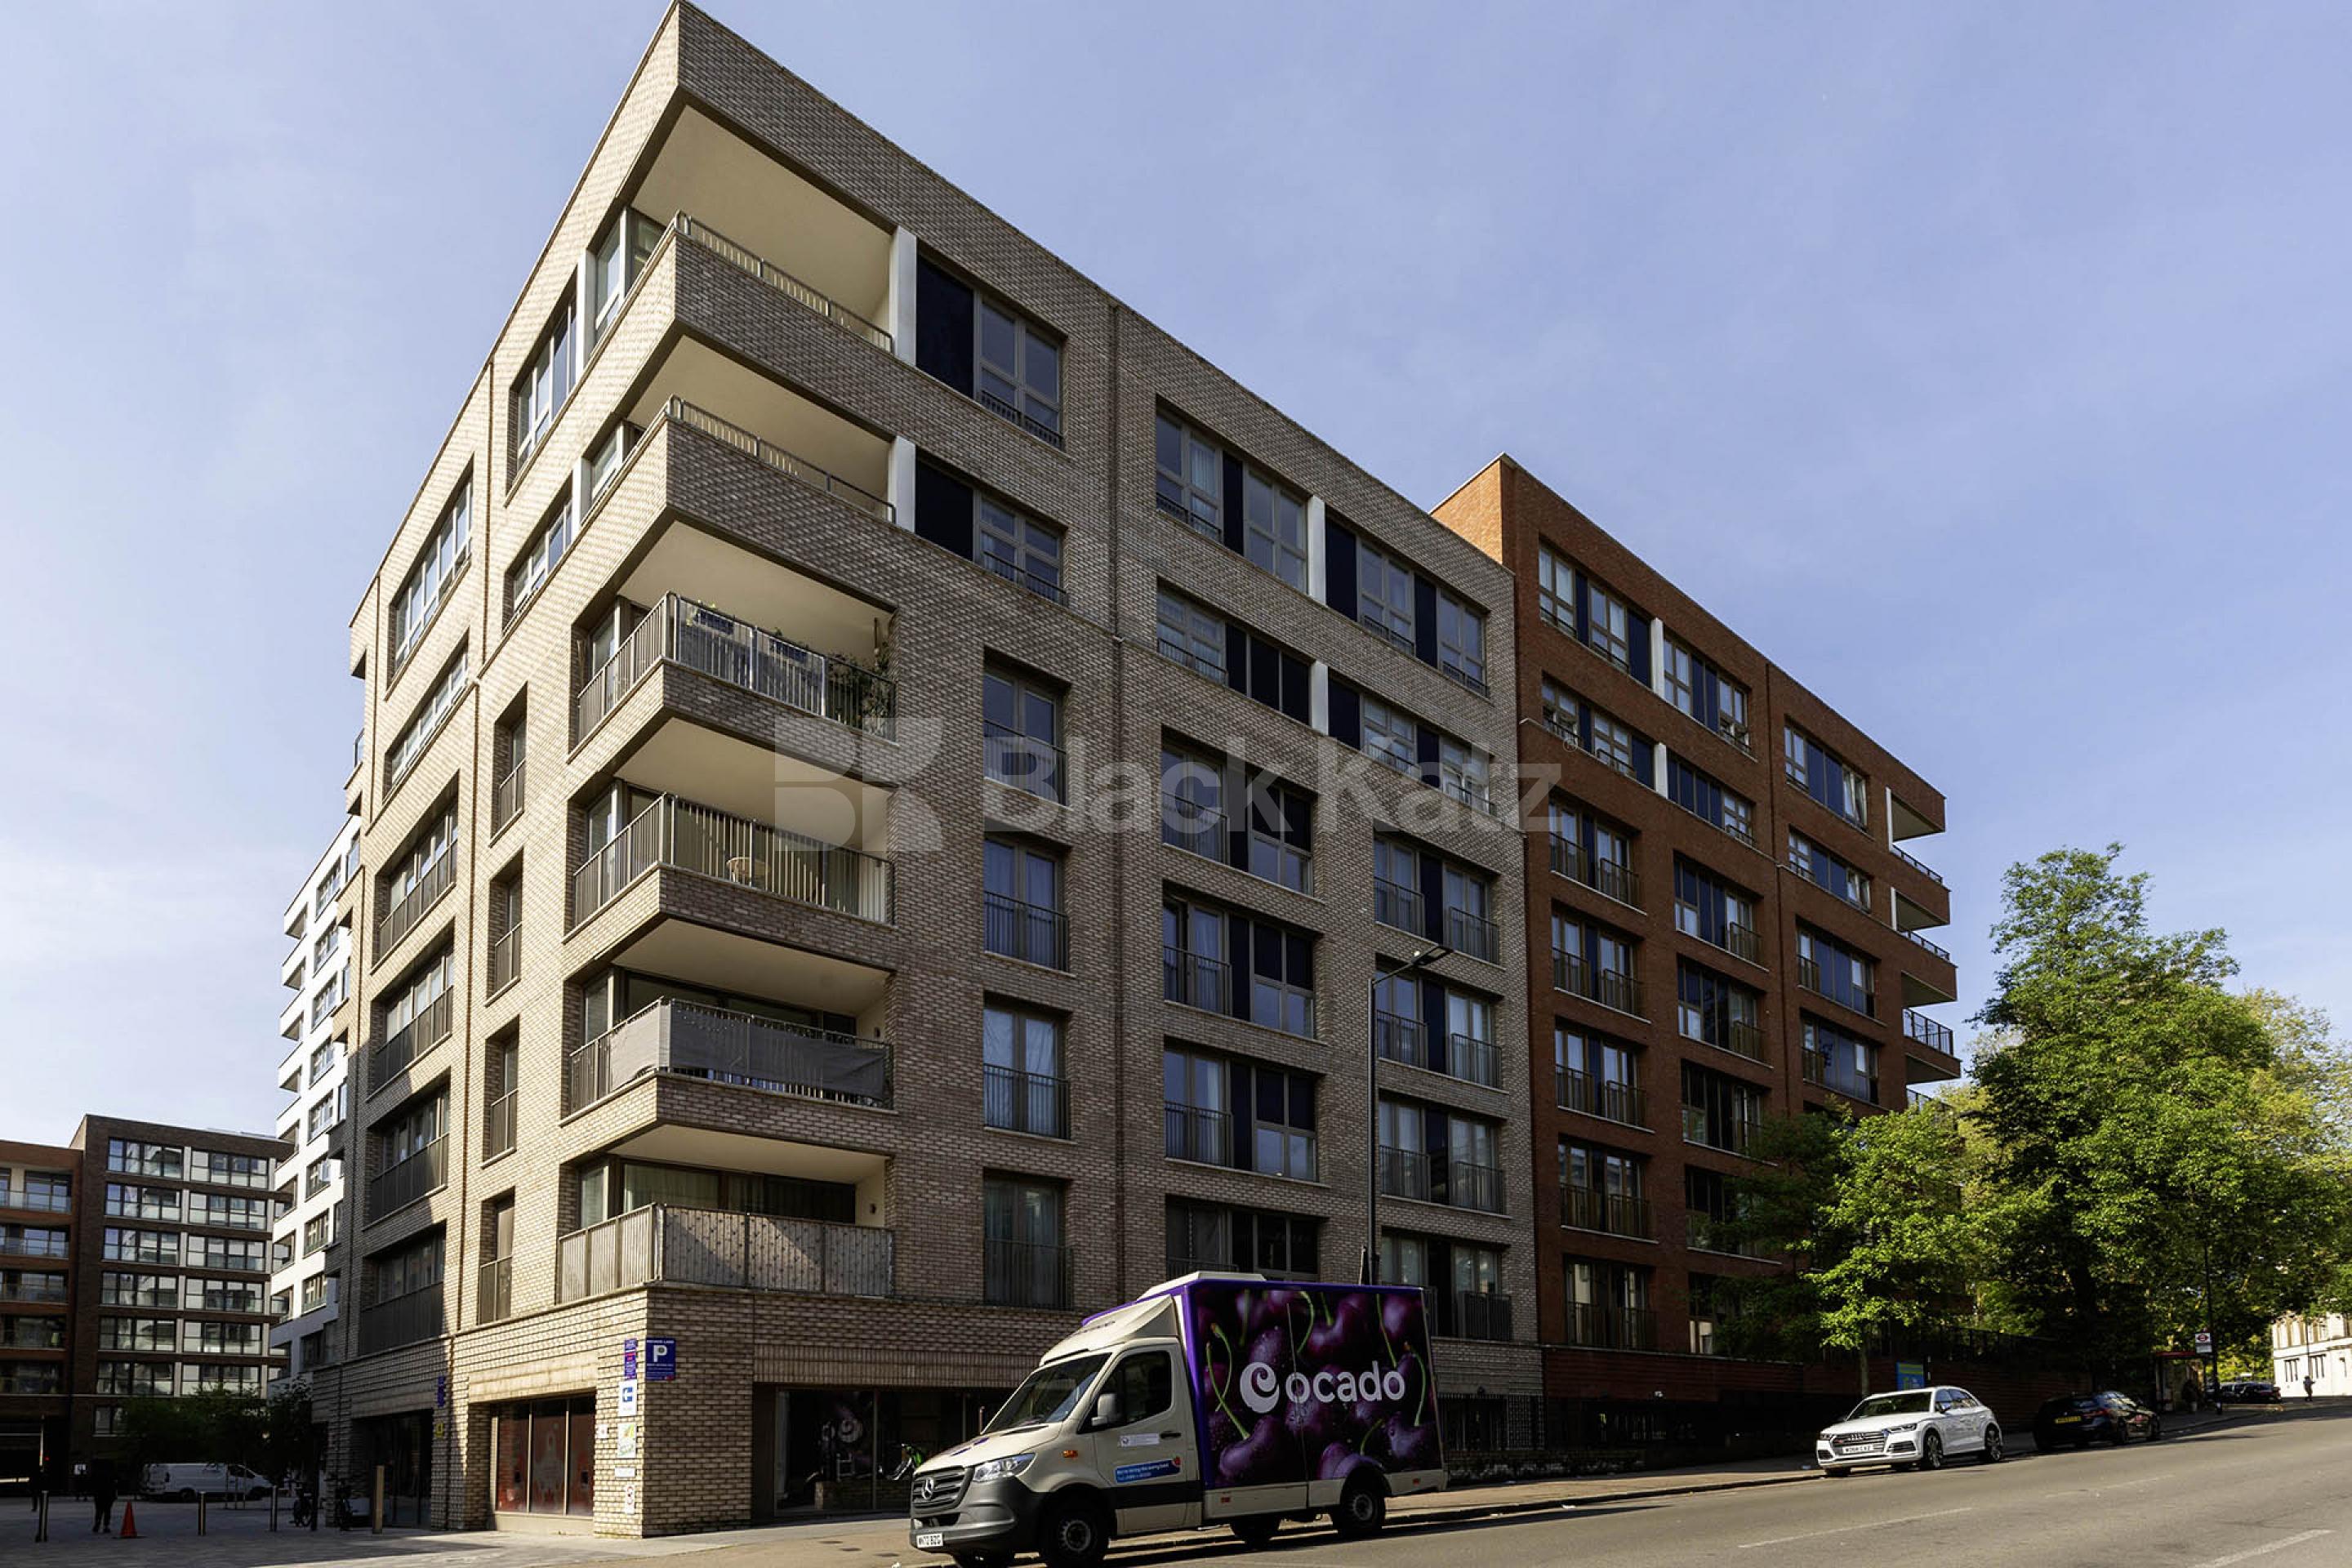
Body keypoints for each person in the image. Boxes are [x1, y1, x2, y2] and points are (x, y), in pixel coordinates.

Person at [89, 1458, 116, 1535]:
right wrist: (114, 1495)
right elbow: (113, 1484)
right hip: (108, 1494)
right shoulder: (110, 1473)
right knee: (107, 1510)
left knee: (99, 1510)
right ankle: (105, 1526)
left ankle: (97, 1524)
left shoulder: (96, 1473)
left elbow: (92, 1482)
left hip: (99, 1494)